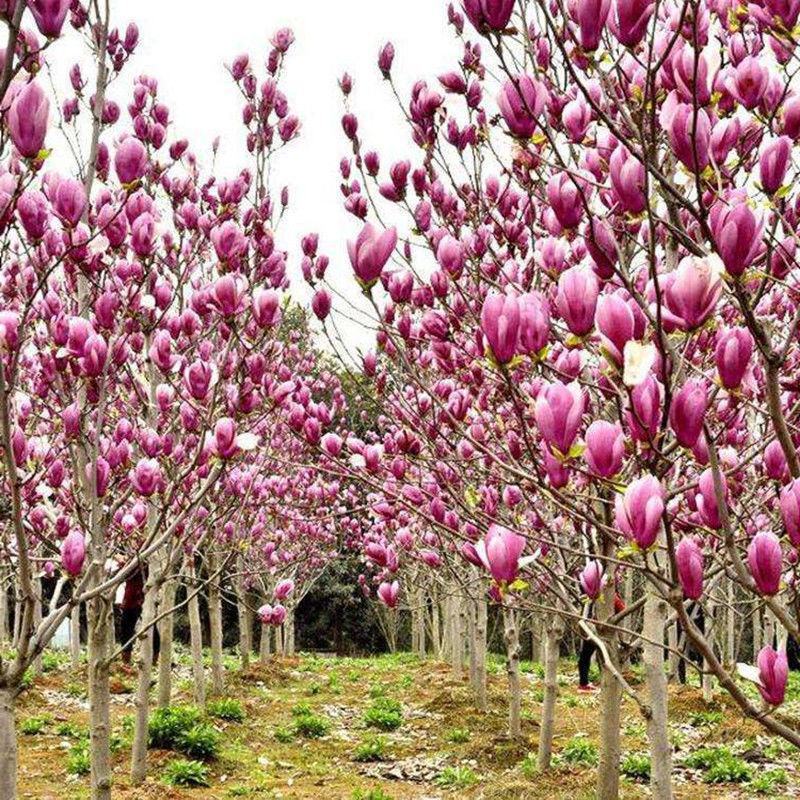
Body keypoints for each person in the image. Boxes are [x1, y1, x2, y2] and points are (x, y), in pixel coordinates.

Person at [578, 592, 626, 692]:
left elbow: (621, 609)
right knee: (600, 657)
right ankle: (586, 683)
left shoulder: (606, 595)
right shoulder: (606, 595)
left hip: (597, 630)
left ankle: (586, 683)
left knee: (588, 656)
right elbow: (622, 609)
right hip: (597, 630)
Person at [119, 566, 160, 668]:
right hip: (130, 597)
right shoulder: (130, 556)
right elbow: (123, 575)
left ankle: (154, 660)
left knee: (151, 627)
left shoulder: (151, 556)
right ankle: (126, 660)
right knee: (126, 627)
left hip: (146, 596)